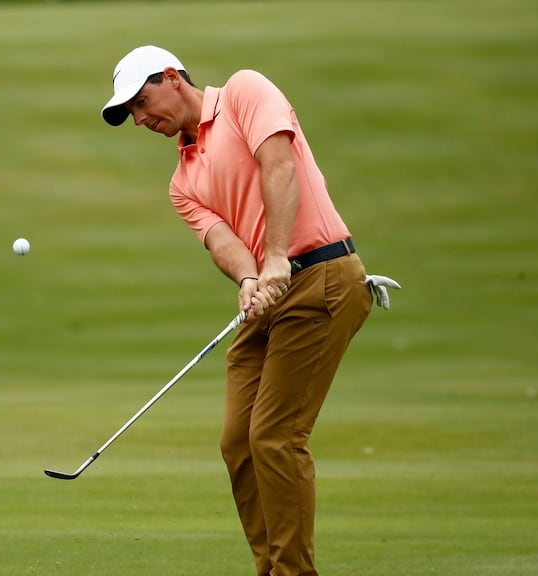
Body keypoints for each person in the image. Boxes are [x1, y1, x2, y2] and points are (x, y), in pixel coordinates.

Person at [100, 45, 399, 576]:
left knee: (275, 436)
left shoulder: (244, 92)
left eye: (142, 103)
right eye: (131, 114)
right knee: (239, 441)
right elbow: (222, 242)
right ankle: (272, 567)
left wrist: (277, 257)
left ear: (171, 77)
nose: (141, 119)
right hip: (270, 296)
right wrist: (249, 278)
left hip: (322, 277)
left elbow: (279, 166)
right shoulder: (182, 183)